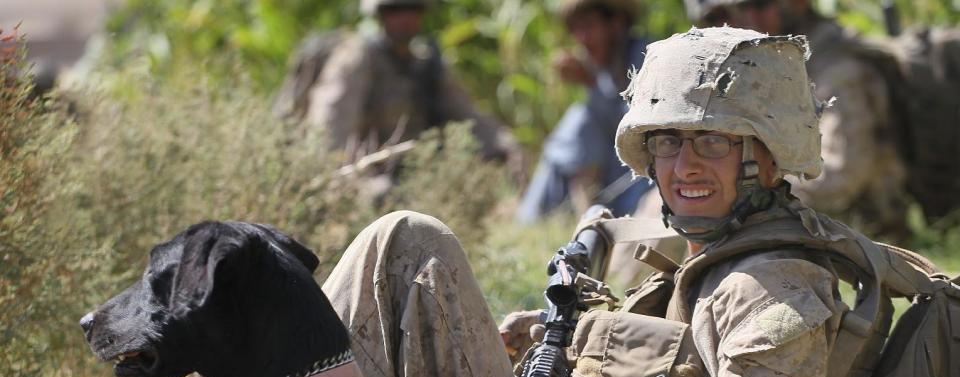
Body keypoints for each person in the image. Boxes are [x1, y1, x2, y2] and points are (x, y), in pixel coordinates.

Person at [44, 26, 855, 377]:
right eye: (668, 142)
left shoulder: (770, 291)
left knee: (409, 237)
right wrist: (555, 343)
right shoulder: (707, 244)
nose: (680, 166)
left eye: (709, 144)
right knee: (409, 247)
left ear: (767, 155)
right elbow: (671, 371)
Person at [684, 0, 911, 242]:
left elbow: (838, 178)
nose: (737, 22)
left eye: (757, 4)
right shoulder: (762, 66)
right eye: (716, 17)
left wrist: (735, 188)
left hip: (849, 233)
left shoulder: (838, 70)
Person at [302, 0, 518, 166]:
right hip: (365, 174)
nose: (405, 19)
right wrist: (350, 178)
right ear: (382, 15)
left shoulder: (427, 64)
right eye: (396, 11)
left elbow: (467, 115)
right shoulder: (357, 60)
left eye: (412, 9)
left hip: (415, 173)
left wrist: (504, 144)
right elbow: (329, 126)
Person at [516, 0, 654, 222]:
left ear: (617, 23)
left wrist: (590, 84)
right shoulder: (604, 66)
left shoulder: (647, 59)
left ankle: (574, 219)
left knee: (580, 119)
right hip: (611, 174)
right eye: (576, 29)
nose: (582, 38)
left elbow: (638, 128)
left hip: (641, 177)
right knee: (578, 121)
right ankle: (539, 216)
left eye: (588, 26)